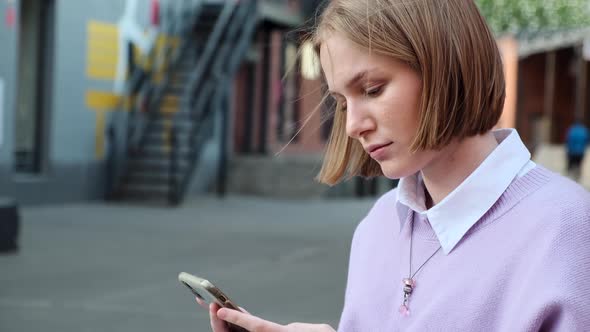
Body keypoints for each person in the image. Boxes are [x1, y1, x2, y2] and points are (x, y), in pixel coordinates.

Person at [196, 0, 590, 330]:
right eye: (342, 101)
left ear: (444, 65)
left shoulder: (567, 228)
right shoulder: (378, 225)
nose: (352, 126)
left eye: (372, 90)